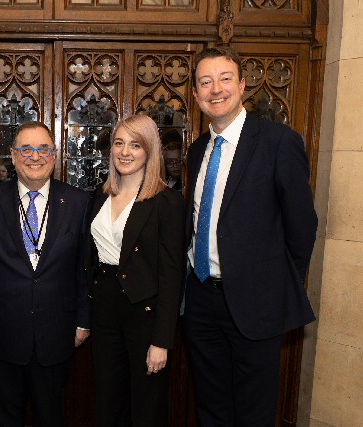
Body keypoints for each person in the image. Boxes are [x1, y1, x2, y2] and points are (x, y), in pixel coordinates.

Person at [183, 46, 317, 426]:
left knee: (254, 412)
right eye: (205, 82)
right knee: (211, 406)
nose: (216, 89)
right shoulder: (197, 151)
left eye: (225, 79)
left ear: (242, 85)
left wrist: (275, 284)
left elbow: (302, 224)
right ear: (195, 94)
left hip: (256, 304)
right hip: (202, 301)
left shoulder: (278, 142)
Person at [0, 121, 91, 427]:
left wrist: (83, 321)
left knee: (51, 417)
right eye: (26, 149)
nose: (34, 156)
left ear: (54, 155)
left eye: (43, 149)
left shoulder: (78, 202)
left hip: (57, 334)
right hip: (1, 333)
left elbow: (84, 268)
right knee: (5, 417)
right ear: (12, 156)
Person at [86, 114, 185, 426]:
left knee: (146, 405)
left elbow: (172, 276)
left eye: (135, 145)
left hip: (144, 315)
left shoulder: (165, 201)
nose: (125, 152)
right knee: (108, 400)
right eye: (119, 143)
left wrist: (162, 341)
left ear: (149, 151)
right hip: (104, 311)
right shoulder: (99, 195)